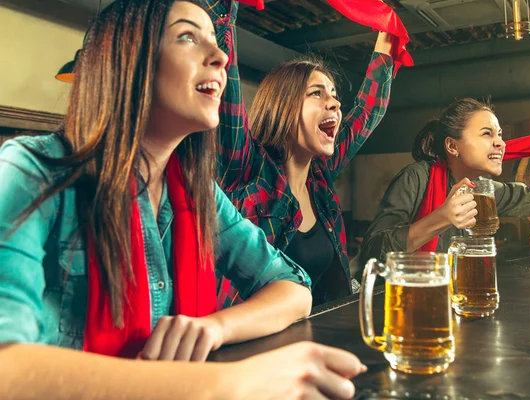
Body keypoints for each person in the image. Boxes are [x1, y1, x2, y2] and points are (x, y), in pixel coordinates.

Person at [0, 1, 364, 398]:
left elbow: (294, 288)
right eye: (188, 37)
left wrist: (212, 327)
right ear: (129, 59)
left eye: (215, 41)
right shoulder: (32, 170)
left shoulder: (197, 192)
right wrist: (231, 384)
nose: (220, 56)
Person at [214, 0, 397, 306]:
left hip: (310, 344)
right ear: (283, 105)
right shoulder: (246, 168)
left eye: (335, 96)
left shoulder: (319, 178)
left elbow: (368, 110)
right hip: (245, 349)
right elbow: (227, 84)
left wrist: (387, 33)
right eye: (317, 93)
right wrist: (223, 14)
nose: (335, 104)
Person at [359, 97, 530, 262]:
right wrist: (441, 218)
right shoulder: (416, 179)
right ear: (453, 146)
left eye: (500, 135)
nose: (500, 143)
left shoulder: (484, 190)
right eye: (487, 134)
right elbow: (373, 251)